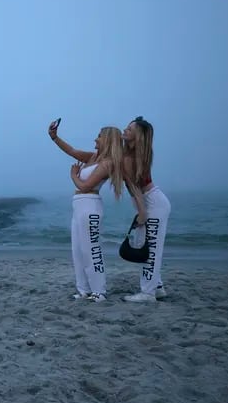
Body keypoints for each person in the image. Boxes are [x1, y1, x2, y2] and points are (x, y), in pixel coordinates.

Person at [48, 120, 124, 302]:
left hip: (90, 205)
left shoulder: (107, 163)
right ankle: (83, 290)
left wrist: (73, 175)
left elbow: (85, 186)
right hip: (79, 206)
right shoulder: (93, 158)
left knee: (91, 250)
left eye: (99, 136)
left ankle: (99, 291)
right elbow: (72, 151)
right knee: (78, 250)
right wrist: (54, 137)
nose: (95, 138)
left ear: (107, 140)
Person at [121, 116, 170, 302]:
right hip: (149, 203)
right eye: (126, 127)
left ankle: (148, 293)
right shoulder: (131, 155)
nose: (125, 130)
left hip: (153, 204)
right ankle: (157, 287)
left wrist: (142, 213)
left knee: (150, 249)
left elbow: (135, 188)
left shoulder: (133, 158)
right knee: (146, 246)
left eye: (130, 129)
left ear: (138, 136)